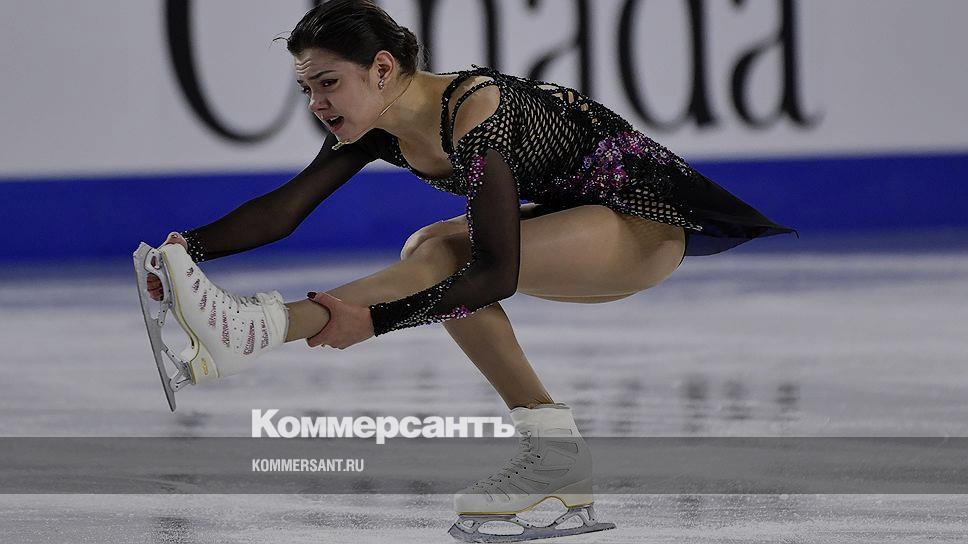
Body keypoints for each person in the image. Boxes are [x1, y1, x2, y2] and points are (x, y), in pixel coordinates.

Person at [144, 0, 796, 540]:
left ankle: (256, 330)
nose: (315, 101)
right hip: (579, 220)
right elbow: (287, 208)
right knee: (432, 247)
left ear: (381, 68)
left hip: (641, 224)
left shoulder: (477, 110)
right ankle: (554, 453)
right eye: (306, 88)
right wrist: (185, 250)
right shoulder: (374, 127)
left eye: (327, 82)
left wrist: (372, 322)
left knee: (443, 253)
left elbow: (496, 274)